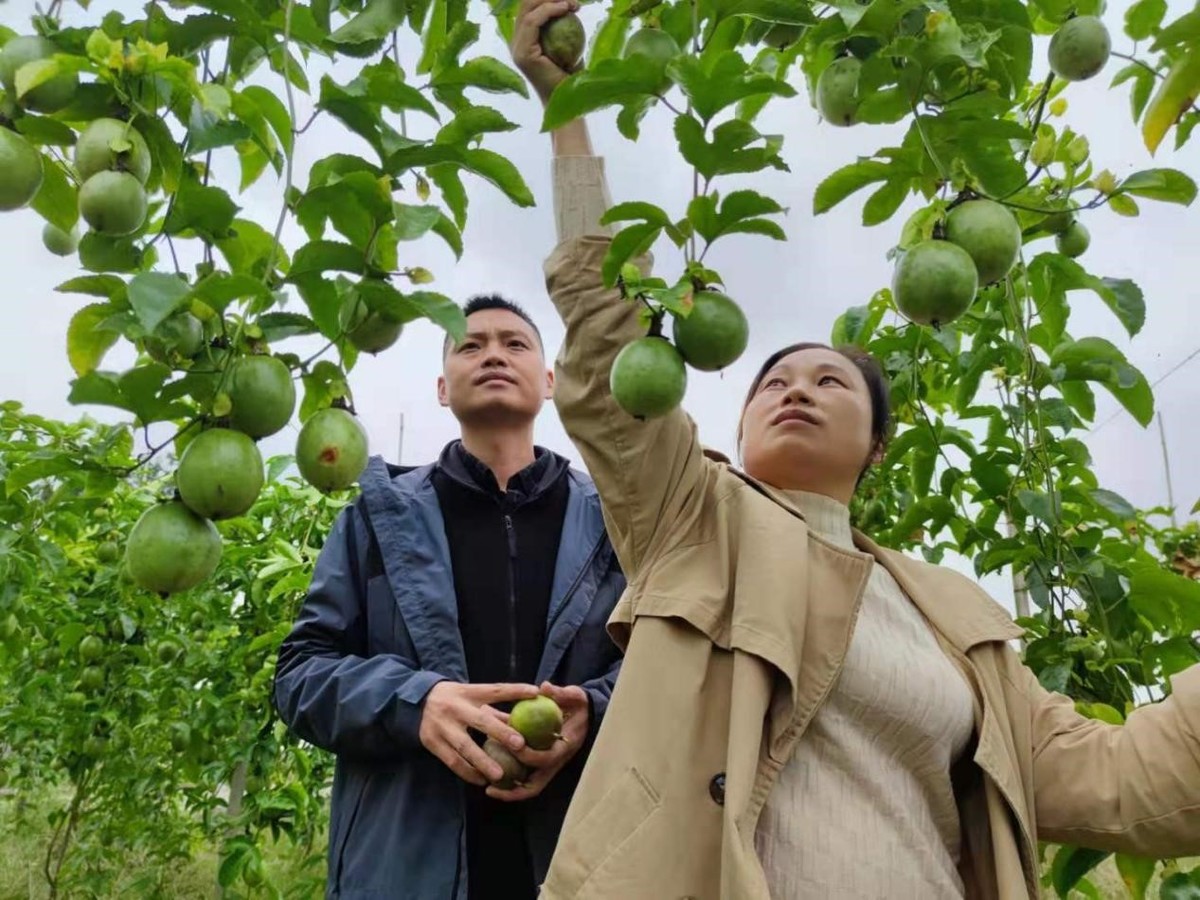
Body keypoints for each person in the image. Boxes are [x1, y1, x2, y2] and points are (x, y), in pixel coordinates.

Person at [507, 3, 1200, 897]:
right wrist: (570, 107)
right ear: (740, 427)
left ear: (877, 447)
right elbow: (607, 343)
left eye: (831, 382)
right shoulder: (694, 516)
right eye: (774, 382)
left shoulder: (959, 620)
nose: (797, 388)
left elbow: (1122, 784)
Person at [272, 294, 627, 900]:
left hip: (580, 860)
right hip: (404, 865)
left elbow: (662, 662)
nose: (493, 353)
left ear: (548, 383)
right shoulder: (374, 521)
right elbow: (301, 676)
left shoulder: (615, 523)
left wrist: (593, 710)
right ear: (443, 388)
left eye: (514, 344)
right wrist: (418, 702)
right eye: (470, 344)